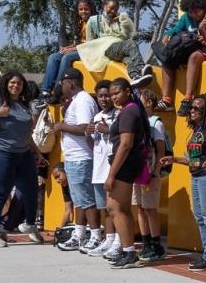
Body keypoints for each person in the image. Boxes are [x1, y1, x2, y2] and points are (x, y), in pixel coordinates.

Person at [0, 70, 42, 246]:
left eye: (19, 83)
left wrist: (37, 152)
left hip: (23, 153)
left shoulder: (24, 104)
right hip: (0, 153)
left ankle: (29, 224)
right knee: (1, 193)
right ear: (5, 84)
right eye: (12, 83)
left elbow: (26, 134)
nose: (15, 86)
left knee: (32, 189)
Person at [166, 93, 206, 269]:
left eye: (197, 108)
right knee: (199, 216)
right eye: (192, 107)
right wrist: (173, 159)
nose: (192, 111)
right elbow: (193, 159)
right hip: (196, 176)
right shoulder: (196, 131)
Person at [104, 78, 155, 267]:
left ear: (127, 91)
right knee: (122, 208)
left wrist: (111, 175)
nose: (113, 96)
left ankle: (129, 252)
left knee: (115, 208)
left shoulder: (129, 111)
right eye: (111, 94)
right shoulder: (131, 109)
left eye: (117, 92)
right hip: (128, 163)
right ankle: (128, 250)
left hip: (125, 164)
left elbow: (125, 144)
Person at [52, 70, 103, 253]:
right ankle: (79, 235)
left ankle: (96, 236)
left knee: (87, 200)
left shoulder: (83, 101)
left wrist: (60, 126)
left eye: (63, 83)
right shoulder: (77, 101)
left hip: (83, 157)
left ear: (71, 83)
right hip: (74, 158)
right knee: (79, 200)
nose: (61, 87)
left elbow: (84, 128)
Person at [133, 84, 170, 264]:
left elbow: (161, 150)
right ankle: (145, 241)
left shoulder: (156, 123)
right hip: (138, 171)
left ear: (148, 102)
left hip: (150, 172)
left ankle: (156, 244)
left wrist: (155, 172)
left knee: (150, 208)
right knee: (140, 207)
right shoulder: (139, 121)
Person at [84, 80, 121, 257]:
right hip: (98, 169)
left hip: (112, 168)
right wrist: (87, 133)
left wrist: (108, 130)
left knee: (115, 208)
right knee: (104, 208)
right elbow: (93, 145)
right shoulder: (97, 116)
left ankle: (119, 241)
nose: (104, 99)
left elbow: (123, 139)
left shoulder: (119, 114)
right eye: (101, 96)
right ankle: (109, 239)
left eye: (107, 95)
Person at [159, 0, 206, 114]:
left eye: (197, 11)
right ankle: (166, 100)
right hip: (187, 49)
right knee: (167, 58)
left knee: (194, 57)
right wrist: (168, 35)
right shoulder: (186, 17)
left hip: (204, 49)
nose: (194, 14)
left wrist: (203, 35)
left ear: (204, 8)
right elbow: (175, 30)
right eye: (190, 11)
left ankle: (188, 98)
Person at [76, 0, 149, 86]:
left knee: (128, 59)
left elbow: (129, 35)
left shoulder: (119, 20)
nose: (113, 11)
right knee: (131, 44)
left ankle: (135, 76)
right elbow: (89, 43)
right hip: (105, 48)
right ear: (104, 6)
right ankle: (141, 67)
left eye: (115, 9)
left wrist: (122, 19)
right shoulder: (94, 21)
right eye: (111, 8)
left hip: (119, 49)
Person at [40, 0, 95, 98]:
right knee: (54, 57)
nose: (83, 12)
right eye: (81, 9)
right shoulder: (80, 22)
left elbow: (90, 44)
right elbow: (78, 42)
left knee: (67, 57)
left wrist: (72, 50)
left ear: (91, 9)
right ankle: (45, 90)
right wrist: (67, 48)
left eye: (86, 9)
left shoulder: (94, 22)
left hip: (89, 51)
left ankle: (58, 87)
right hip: (79, 48)